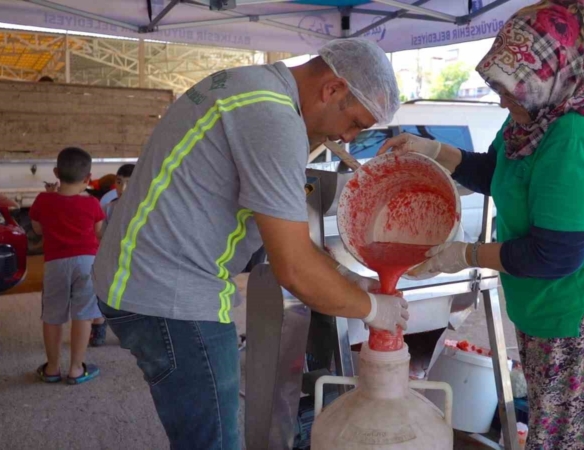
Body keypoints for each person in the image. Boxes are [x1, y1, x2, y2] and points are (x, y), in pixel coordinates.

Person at [92, 38, 406, 449]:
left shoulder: (250, 84)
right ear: (333, 89)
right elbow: (293, 268)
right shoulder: (273, 118)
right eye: (356, 124)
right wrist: (374, 309)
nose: (346, 138)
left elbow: (286, 239)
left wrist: (348, 279)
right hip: (172, 297)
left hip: (137, 277)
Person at [379, 1, 584, 448]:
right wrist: (435, 152)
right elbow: (507, 178)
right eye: (499, 86)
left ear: (557, 72)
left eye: (512, 87)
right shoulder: (537, 117)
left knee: (570, 440)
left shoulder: (577, 138)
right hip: (550, 308)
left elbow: (553, 254)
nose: (503, 98)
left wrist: (462, 255)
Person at [29, 147, 105, 385]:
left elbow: (37, 229)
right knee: (83, 314)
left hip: (55, 264)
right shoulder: (92, 204)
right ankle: (75, 369)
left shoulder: (43, 200)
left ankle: (52, 368)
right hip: (86, 263)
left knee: (52, 315)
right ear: (88, 178)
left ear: (55, 173)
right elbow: (98, 231)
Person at [89, 163, 136, 347]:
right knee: (104, 294)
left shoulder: (144, 208)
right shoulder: (108, 208)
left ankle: (130, 332)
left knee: (130, 299)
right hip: (112, 261)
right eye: (119, 182)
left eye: (128, 183)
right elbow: (101, 235)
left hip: (135, 263)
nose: (122, 188)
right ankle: (99, 326)